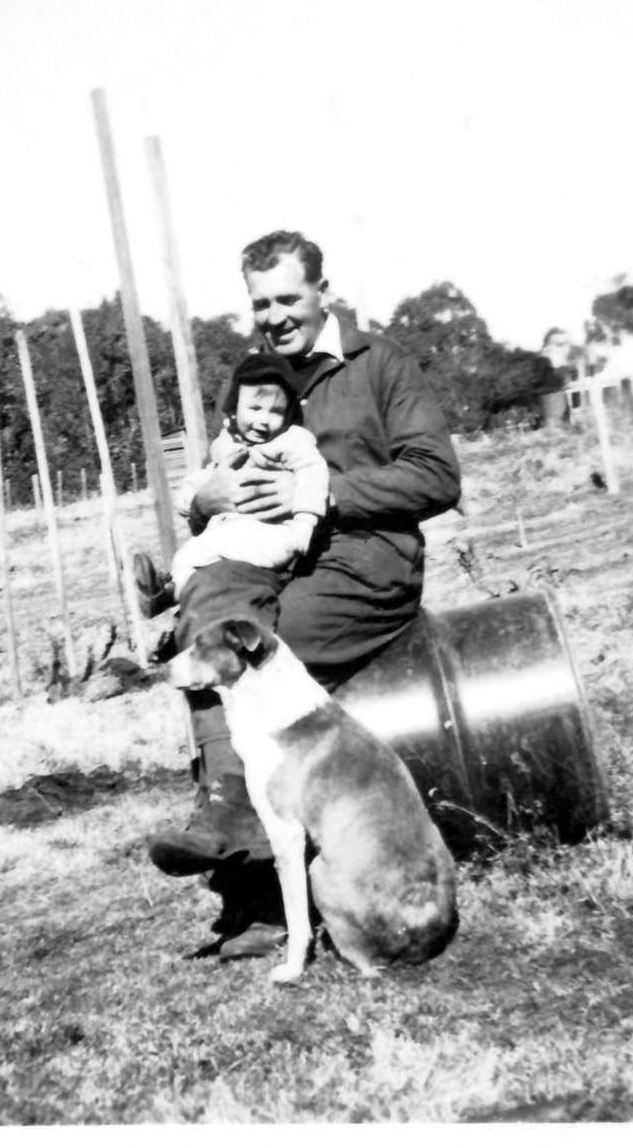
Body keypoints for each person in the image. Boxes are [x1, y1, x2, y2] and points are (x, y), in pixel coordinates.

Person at [148, 229, 461, 959]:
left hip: (361, 563)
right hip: (270, 558)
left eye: (289, 297)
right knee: (207, 613)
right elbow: (219, 481)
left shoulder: (379, 365)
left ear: (324, 290)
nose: (276, 315)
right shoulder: (253, 379)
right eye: (261, 303)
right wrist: (206, 497)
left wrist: (318, 494)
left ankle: (251, 878)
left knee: (252, 650)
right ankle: (233, 819)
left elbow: (436, 477)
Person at [134, 352, 330, 613]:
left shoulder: (290, 441)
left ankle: (179, 596)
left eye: (276, 411)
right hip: (235, 529)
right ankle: (167, 594)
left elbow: (314, 472)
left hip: (273, 533)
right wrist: (194, 495)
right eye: (255, 408)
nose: (263, 420)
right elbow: (212, 473)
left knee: (209, 552)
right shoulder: (228, 444)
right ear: (234, 409)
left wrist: (305, 520)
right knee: (189, 554)